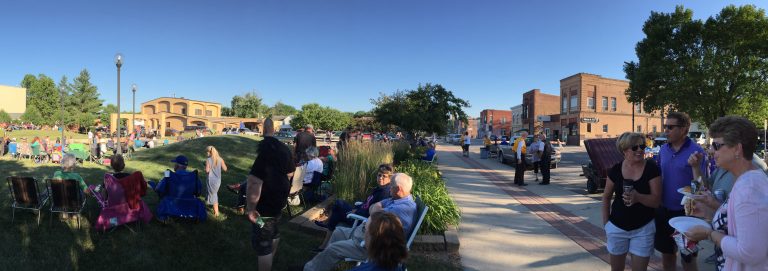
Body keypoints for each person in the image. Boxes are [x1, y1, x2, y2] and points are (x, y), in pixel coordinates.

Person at [684, 116, 768, 271]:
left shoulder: (749, 188)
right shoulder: (744, 179)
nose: (711, 150)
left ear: (737, 149)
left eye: (716, 145)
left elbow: (750, 253)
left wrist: (709, 234)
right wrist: (710, 211)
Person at [304, 173, 417, 271]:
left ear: (398, 189)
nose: (389, 189)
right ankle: (322, 264)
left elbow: (374, 213)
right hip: (364, 233)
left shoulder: (402, 209)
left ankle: (310, 269)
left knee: (333, 249)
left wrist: (375, 210)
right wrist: (375, 209)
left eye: (391, 186)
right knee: (338, 231)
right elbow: (375, 207)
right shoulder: (397, 199)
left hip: (370, 245)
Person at [601, 132, 662, 271]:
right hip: (617, 227)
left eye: (642, 146)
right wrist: (606, 224)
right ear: (624, 150)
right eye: (635, 147)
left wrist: (638, 197)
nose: (640, 150)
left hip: (643, 228)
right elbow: (606, 197)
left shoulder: (651, 168)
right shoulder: (615, 170)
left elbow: (657, 201)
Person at [655, 111, 705, 271]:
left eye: (670, 127)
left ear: (684, 129)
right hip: (664, 211)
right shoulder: (663, 150)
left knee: (688, 259)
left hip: (686, 215)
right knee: (667, 256)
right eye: (665, 126)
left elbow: (701, 187)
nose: (666, 130)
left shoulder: (696, 152)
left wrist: (696, 167)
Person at [245, 117, 296, 271]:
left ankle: (267, 260)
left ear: (263, 129)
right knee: (273, 232)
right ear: (274, 129)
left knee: (263, 244)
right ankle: (270, 260)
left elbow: (254, 182)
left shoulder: (264, 150)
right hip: (279, 201)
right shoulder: (284, 149)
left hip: (264, 206)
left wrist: (251, 208)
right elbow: (291, 172)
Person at [314, 164, 394, 251]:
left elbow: (373, 214)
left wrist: (356, 212)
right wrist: (357, 208)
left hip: (361, 220)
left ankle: (326, 232)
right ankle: (325, 242)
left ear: (390, 178)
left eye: (384, 176)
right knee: (336, 213)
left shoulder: (384, 193)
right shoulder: (379, 188)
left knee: (338, 203)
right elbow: (366, 203)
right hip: (359, 212)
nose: (380, 178)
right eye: (379, 175)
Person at [150, 155, 207, 222]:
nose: (174, 165)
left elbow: (159, 189)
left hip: (171, 202)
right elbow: (198, 192)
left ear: (177, 165)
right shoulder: (193, 175)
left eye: (175, 164)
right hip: (189, 202)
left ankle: (167, 214)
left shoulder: (168, 174)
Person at [205, 146, 228, 217]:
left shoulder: (208, 160)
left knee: (214, 195)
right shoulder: (220, 159)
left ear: (209, 152)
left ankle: (216, 212)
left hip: (211, 180)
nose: (206, 153)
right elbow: (225, 169)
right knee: (214, 193)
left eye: (207, 152)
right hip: (218, 180)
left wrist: (206, 167)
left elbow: (207, 171)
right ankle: (213, 206)